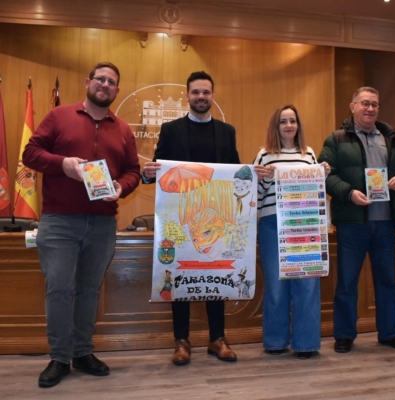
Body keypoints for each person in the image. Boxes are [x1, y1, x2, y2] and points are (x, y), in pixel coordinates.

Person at [22, 62, 141, 388]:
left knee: (89, 291)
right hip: (59, 222)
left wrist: (121, 187)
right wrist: (63, 165)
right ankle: (59, 357)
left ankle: (82, 352)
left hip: (102, 224)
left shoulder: (124, 129)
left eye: (111, 82)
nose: (104, 85)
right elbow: (30, 153)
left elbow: (133, 171)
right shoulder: (60, 116)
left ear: (116, 91)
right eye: (100, 79)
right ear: (89, 82)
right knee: (59, 289)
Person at [142, 71, 239, 366]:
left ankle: (217, 339)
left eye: (206, 92)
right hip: (181, 218)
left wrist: (250, 175)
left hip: (215, 218)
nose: (201, 97)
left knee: (216, 276)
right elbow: (159, 170)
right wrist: (148, 175)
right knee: (181, 276)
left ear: (213, 95)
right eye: (196, 92)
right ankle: (181, 341)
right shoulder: (171, 130)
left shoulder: (227, 131)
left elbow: (235, 172)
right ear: (187, 95)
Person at [318, 87, 395, 354]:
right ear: (352, 107)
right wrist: (349, 193)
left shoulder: (391, 139)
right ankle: (345, 334)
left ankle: (389, 333)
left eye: (374, 104)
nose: (370, 108)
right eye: (365, 103)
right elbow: (326, 174)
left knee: (388, 282)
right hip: (352, 223)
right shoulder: (336, 139)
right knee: (347, 281)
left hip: (386, 223)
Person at [254, 104, 330, 359]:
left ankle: (306, 343)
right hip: (271, 223)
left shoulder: (309, 155)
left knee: (307, 284)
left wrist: (323, 175)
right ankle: (275, 341)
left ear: (298, 125)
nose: (288, 125)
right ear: (276, 127)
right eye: (283, 121)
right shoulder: (264, 155)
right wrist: (263, 180)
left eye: (292, 121)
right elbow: (253, 196)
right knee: (276, 286)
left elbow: (315, 193)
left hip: (304, 224)